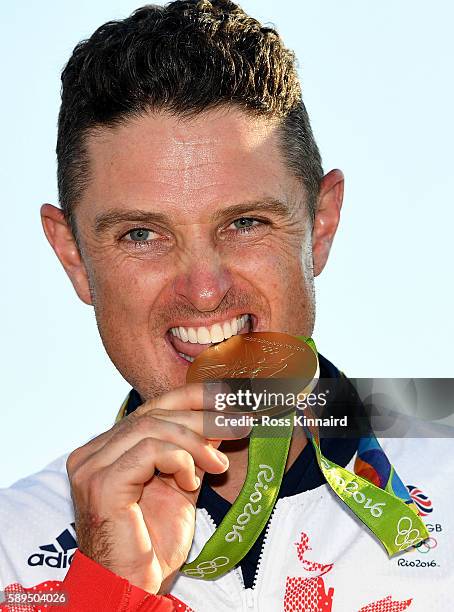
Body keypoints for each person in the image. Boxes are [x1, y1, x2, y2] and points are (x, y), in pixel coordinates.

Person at [0, 1, 452, 610]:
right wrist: (109, 595)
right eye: (141, 234)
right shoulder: (10, 550)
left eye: (245, 223)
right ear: (74, 257)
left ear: (320, 225)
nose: (205, 289)